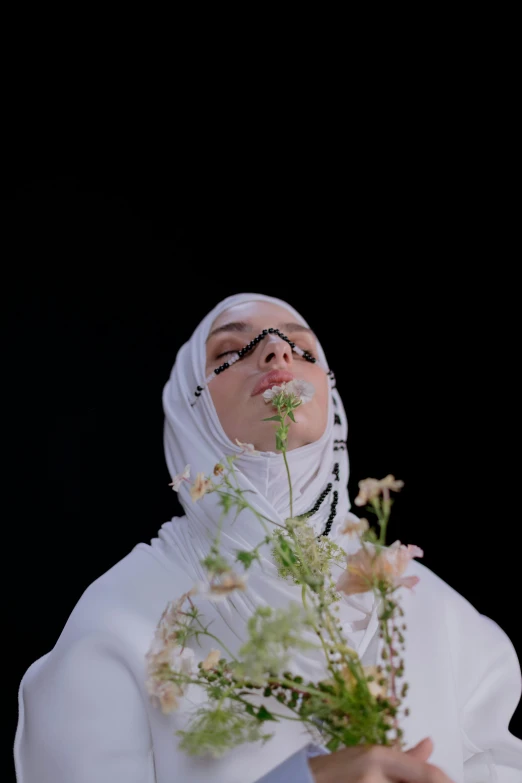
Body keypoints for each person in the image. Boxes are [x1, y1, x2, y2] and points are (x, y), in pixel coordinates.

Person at [14, 293, 522, 782]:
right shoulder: (121, 619)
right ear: (189, 410)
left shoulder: (435, 614)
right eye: (232, 351)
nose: (277, 351)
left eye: (303, 350)